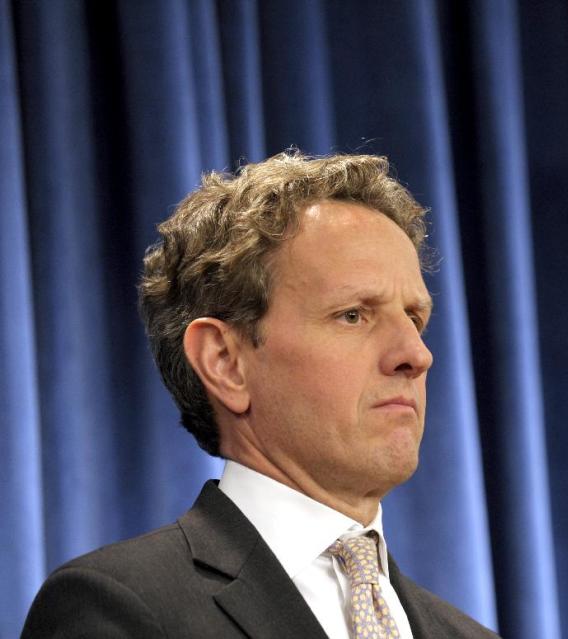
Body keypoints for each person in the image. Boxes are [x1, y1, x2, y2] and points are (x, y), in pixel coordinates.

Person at [21, 152, 500, 638]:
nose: (416, 355)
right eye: (354, 314)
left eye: (415, 318)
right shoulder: (119, 610)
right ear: (225, 362)